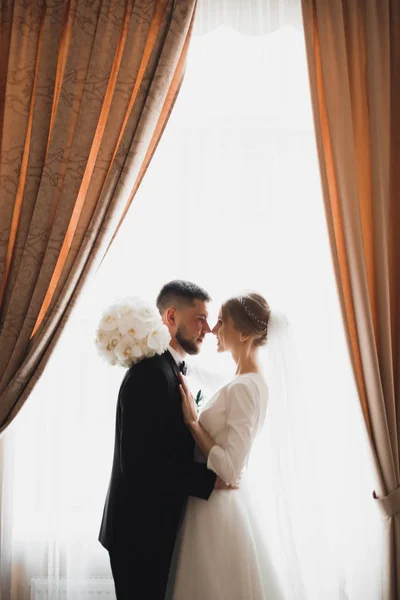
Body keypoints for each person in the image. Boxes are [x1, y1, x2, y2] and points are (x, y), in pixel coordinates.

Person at [98, 280, 233, 600]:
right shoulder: (150, 374)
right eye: (200, 318)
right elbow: (141, 466)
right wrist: (209, 480)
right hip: (138, 533)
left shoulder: (169, 369)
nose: (208, 329)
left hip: (153, 526)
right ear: (171, 317)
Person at [172, 292, 285, 599]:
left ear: (244, 333)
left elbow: (231, 469)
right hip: (208, 507)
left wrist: (194, 424)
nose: (213, 329)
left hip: (216, 514)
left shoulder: (247, 387)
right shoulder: (242, 380)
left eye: (221, 322)